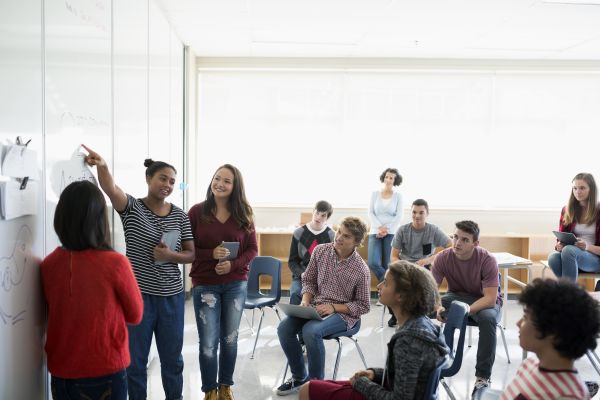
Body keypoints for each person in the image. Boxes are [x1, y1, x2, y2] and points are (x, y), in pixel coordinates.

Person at [83, 145, 195, 400]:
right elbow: (111, 189)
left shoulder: (180, 215)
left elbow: (191, 254)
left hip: (171, 298)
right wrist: (102, 166)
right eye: (162, 178)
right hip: (137, 297)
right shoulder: (132, 208)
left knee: (172, 361)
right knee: (135, 364)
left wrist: (170, 256)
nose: (167, 184)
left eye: (172, 181)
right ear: (148, 178)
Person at [41, 181, 144, 400]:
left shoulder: (48, 265)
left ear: (61, 217)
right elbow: (135, 315)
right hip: (105, 370)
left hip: (61, 372)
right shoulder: (115, 263)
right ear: (100, 219)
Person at [298, 260, 449, 400]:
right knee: (314, 386)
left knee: (308, 390)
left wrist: (362, 384)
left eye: (386, 283)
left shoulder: (410, 340)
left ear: (401, 296)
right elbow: (404, 377)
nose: (379, 286)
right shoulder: (421, 324)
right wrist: (374, 374)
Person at [276, 217, 371, 396]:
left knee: (311, 331)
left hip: (345, 315)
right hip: (315, 306)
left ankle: (316, 386)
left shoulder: (361, 269)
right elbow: (309, 280)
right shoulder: (321, 251)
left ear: (357, 242)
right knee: (284, 329)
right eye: (339, 232)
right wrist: (305, 300)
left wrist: (334, 307)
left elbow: (363, 305)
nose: (339, 237)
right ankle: (299, 378)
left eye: (347, 236)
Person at [187, 164, 258, 400]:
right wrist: (210, 254)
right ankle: (209, 390)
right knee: (208, 341)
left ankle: (225, 386)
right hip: (204, 283)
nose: (220, 183)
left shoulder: (244, 213)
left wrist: (233, 265)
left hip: (235, 283)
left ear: (235, 186)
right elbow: (185, 249)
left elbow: (252, 249)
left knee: (230, 338)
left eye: (227, 181)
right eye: (217, 178)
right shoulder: (197, 212)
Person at [499, 278, 600, 400]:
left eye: (526, 317)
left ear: (553, 330)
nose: (518, 323)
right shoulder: (529, 365)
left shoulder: (568, 396)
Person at [432, 220, 502, 396]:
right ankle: (432, 363)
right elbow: (431, 291)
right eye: (455, 237)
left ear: (475, 243)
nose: (457, 243)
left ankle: (483, 377)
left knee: (488, 319)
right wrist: (438, 307)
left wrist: (465, 311)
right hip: (456, 296)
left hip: (484, 300)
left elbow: (490, 298)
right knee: (422, 307)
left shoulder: (487, 259)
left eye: (464, 239)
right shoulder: (442, 257)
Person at [388, 198, 451, 326]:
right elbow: (394, 256)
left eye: (421, 212)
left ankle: (418, 315)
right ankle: (396, 314)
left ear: (427, 214)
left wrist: (429, 259)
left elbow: (451, 246)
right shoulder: (402, 230)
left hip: (424, 266)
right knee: (389, 285)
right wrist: (403, 266)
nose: (417, 216)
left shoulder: (433, 230)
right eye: (414, 212)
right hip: (404, 266)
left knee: (423, 288)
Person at [548, 172, 600, 282]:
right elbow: (561, 239)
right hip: (572, 257)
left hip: (595, 260)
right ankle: (571, 292)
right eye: (575, 188)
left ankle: (569, 295)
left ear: (591, 190)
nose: (578, 192)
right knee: (553, 258)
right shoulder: (567, 210)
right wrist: (559, 246)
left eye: (582, 188)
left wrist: (587, 247)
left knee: (568, 250)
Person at [288, 200, 335, 305]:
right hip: (301, 277)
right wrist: (302, 273)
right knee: (296, 294)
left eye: (323, 215)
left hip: (322, 279)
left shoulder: (332, 236)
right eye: (317, 213)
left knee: (324, 300)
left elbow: (332, 263)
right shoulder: (298, 233)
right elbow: (292, 261)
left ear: (327, 218)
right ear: (313, 211)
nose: (318, 217)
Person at [367, 168, 403, 284]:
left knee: (387, 264)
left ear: (395, 181)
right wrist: (379, 228)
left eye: (391, 178)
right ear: (384, 177)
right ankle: (391, 286)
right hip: (375, 231)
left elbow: (399, 216)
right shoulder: (374, 194)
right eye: (387, 177)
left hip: (391, 232)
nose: (388, 180)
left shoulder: (398, 196)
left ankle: (384, 296)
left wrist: (386, 229)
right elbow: (371, 213)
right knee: (373, 263)